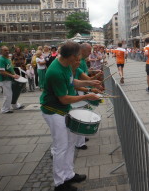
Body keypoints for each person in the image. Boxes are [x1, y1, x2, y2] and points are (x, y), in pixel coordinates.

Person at [40, 41, 102, 191]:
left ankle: (69, 174)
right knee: (60, 146)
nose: (79, 61)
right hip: (53, 110)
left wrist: (89, 82)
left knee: (71, 141)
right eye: (78, 58)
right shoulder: (55, 70)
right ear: (71, 56)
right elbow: (64, 98)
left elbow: (71, 81)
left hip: (63, 109)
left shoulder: (67, 65)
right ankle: (59, 182)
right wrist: (87, 96)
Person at [0, 46, 24, 113]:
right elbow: (2, 72)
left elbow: (10, 69)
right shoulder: (1, 60)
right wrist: (12, 75)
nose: (7, 51)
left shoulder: (7, 59)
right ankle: (5, 109)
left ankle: (15, 105)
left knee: (13, 93)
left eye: (7, 50)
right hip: (5, 80)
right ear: (1, 51)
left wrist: (15, 74)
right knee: (8, 95)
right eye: (5, 50)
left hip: (10, 79)